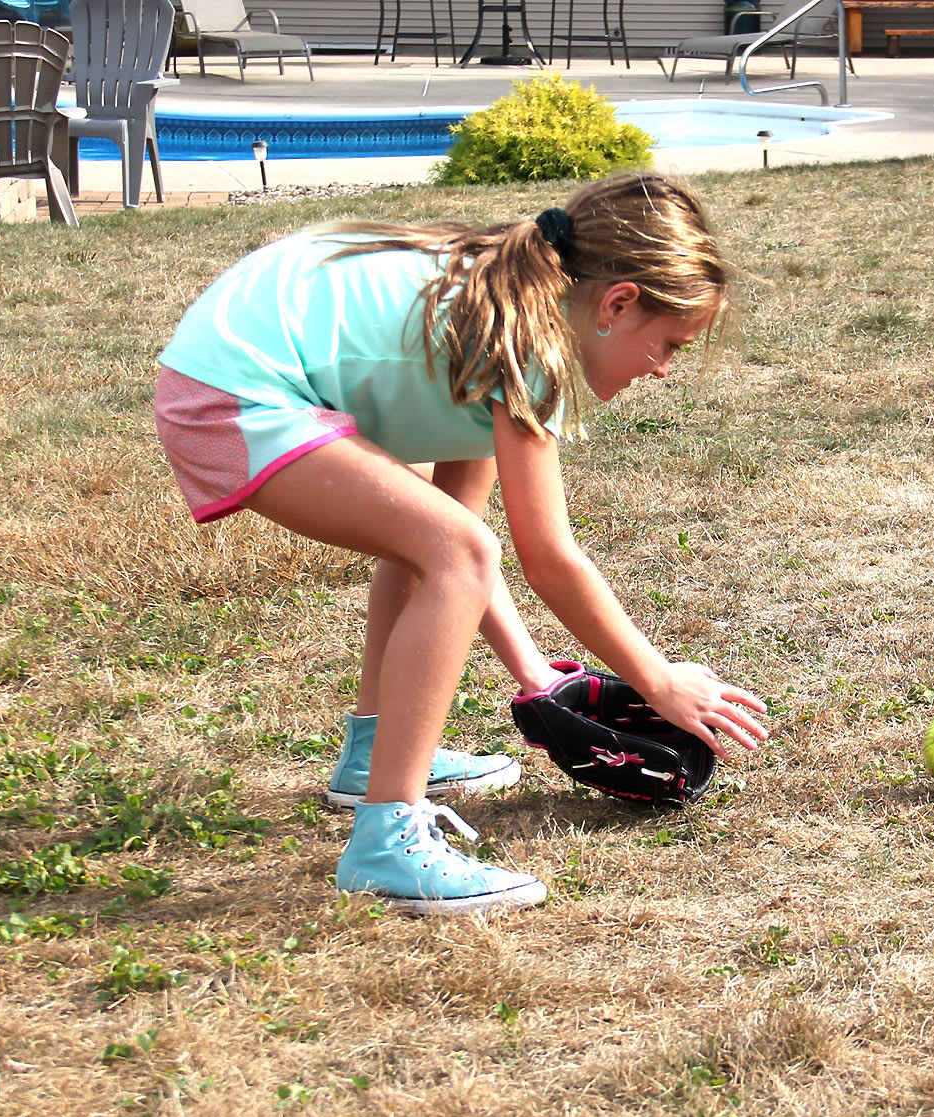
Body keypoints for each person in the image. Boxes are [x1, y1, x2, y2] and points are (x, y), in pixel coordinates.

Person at [154, 171, 770, 916]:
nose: (664, 369)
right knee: (457, 551)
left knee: (437, 543)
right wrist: (657, 678)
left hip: (231, 375)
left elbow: (453, 528)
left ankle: (368, 759)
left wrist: (535, 674)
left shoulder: (504, 304)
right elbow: (545, 560)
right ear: (616, 304)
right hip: (233, 395)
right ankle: (387, 841)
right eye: (668, 343)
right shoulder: (526, 345)